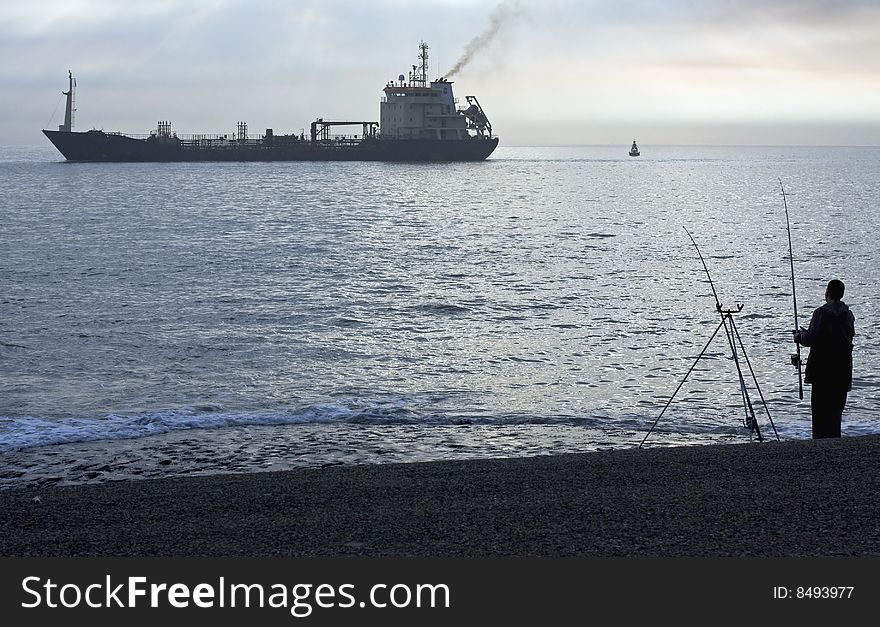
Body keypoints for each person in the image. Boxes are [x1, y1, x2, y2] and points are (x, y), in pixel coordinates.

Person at [793, 279, 855, 438]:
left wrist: (799, 336)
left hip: (822, 371)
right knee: (835, 412)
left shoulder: (821, 313)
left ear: (827, 293)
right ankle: (834, 441)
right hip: (842, 370)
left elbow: (811, 339)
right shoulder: (848, 314)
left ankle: (820, 444)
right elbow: (841, 336)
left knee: (820, 413)